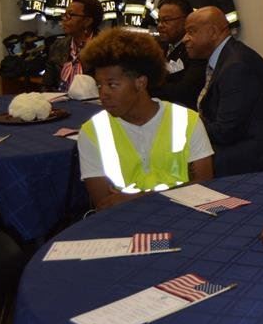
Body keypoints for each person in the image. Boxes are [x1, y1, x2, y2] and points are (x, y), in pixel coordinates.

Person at [77, 28, 214, 210]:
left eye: (112, 85)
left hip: (185, 216)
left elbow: (204, 186)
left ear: (140, 83)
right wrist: (180, 190)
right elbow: (104, 205)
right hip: (126, 225)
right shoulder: (92, 131)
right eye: (99, 85)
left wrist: (137, 198)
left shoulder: (187, 120)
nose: (103, 94)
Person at [184, 6, 263, 176]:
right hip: (242, 151)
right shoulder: (225, 58)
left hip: (258, 164)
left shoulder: (236, 67)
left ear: (213, 32)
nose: (185, 39)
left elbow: (225, 132)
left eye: (191, 32)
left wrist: (187, 123)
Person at [150, 0, 206, 109]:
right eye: (159, 21)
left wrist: (149, 87)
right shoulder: (158, 46)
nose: (160, 26)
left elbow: (183, 91)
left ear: (186, 21)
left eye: (166, 20)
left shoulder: (196, 49)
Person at [43, 0, 102, 91]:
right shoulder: (58, 46)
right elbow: (47, 85)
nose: (64, 19)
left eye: (70, 15)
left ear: (87, 21)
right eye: (64, 15)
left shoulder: (105, 48)